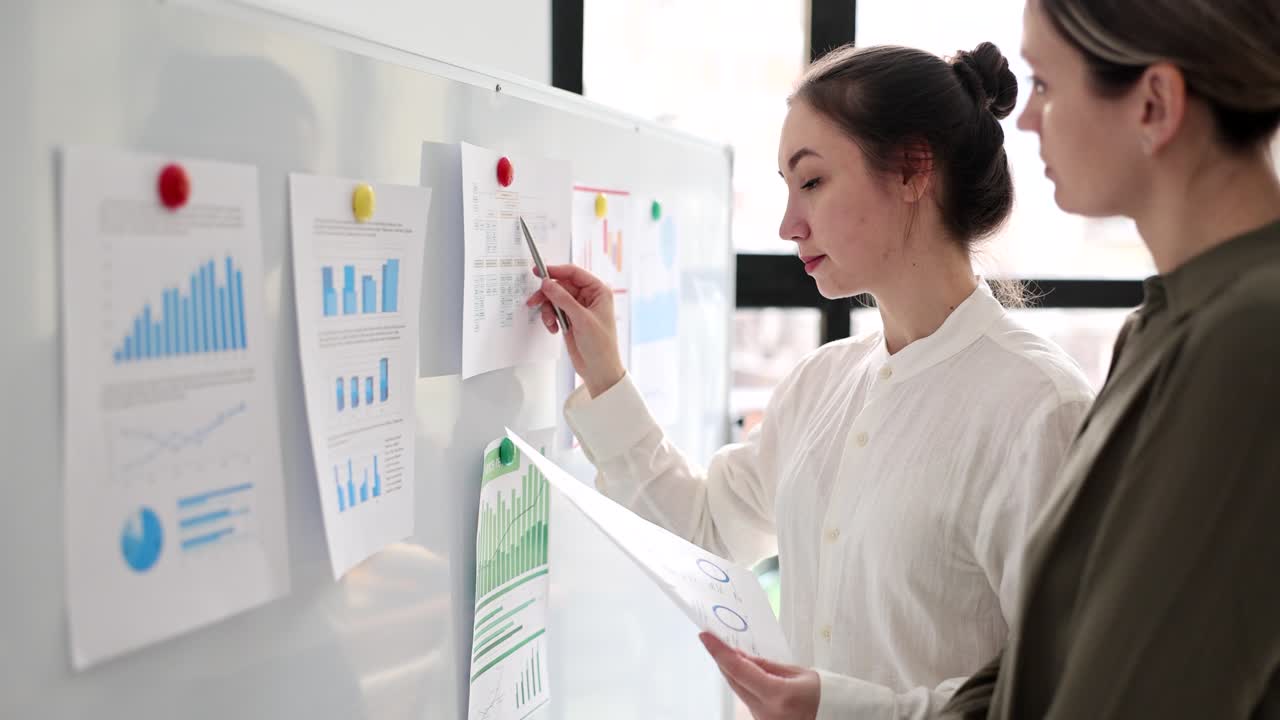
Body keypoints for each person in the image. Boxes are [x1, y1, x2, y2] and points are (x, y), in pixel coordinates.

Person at [528, 42, 1095, 719]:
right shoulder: (822, 384)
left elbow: (1063, 688)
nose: (788, 225)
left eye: (813, 182)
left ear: (914, 170)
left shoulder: (1038, 408)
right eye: (786, 187)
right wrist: (606, 374)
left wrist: (841, 708)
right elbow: (708, 533)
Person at [940, 1, 1280, 718]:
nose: (1025, 119)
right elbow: (1056, 653)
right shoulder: (1164, 324)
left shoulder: (1251, 339)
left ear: (1153, 104)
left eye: (1045, 85)